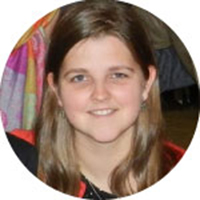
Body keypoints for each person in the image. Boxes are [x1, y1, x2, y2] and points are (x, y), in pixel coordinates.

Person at [32, 0, 184, 199]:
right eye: (80, 78)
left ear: (146, 83)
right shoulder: (23, 161)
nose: (100, 94)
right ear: (56, 89)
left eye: (118, 75)